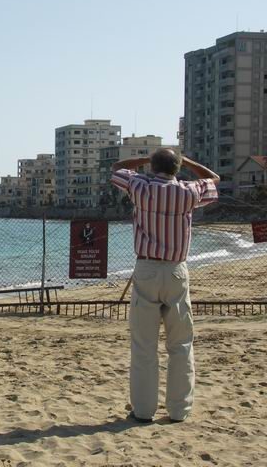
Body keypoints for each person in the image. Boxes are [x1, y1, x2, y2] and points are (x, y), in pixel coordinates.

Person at [110, 148, 219, 423]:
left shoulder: (140, 187)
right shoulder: (188, 191)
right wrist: (189, 162)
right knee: (181, 343)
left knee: (144, 344)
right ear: (177, 168)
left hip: (146, 267)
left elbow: (118, 168)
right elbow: (214, 178)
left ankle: (144, 411)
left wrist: (145, 160)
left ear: (153, 166)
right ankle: (179, 410)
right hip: (176, 271)